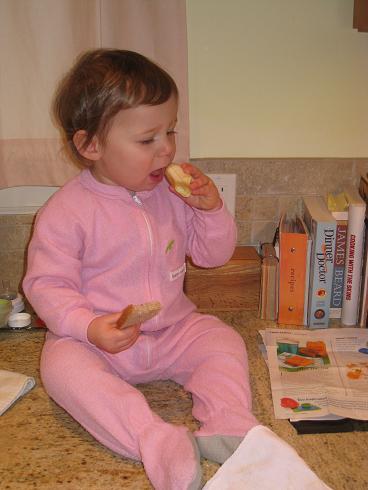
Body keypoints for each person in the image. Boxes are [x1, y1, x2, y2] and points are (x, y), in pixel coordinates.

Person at [23, 49, 258, 490]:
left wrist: (210, 210)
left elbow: (213, 255)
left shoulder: (172, 192)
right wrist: (89, 326)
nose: (167, 148)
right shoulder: (66, 211)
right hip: (99, 340)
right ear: (90, 145)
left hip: (173, 331)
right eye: (147, 139)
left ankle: (228, 423)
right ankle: (153, 439)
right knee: (61, 369)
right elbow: (47, 284)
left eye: (169, 131)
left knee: (221, 339)